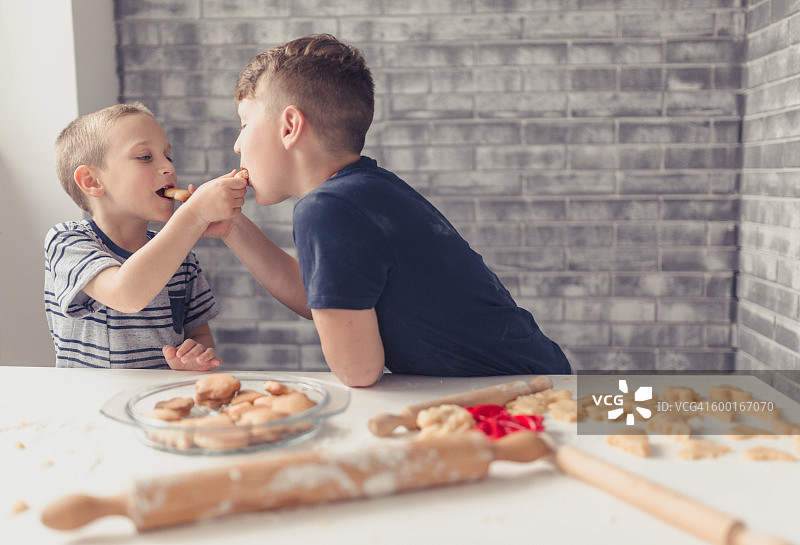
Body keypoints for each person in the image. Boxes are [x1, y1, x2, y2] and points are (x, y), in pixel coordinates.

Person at [211, 34, 571, 387]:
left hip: (532, 398)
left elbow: (358, 371)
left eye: (244, 124)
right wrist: (232, 226)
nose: (237, 145)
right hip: (544, 378)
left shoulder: (327, 209)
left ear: (290, 127)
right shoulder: (366, 190)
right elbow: (321, 293)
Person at [45, 103, 247, 370]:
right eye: (144, 157)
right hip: (88, 396)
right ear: (92, 181)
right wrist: (194, 215)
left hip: (160, 395)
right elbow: (125, 294)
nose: (168, 168)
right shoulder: (67, 242)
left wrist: (195, 356)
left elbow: (199, 334)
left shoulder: (182, 258)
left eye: (168, 156)